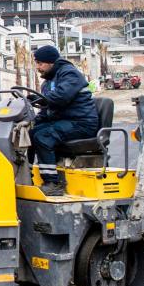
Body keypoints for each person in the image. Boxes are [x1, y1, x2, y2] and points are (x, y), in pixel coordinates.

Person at [30, 45, 99, 197]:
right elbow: (48, 109)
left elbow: (61, 97)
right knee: (31, 131)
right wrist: (35, 120)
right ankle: (26, 174)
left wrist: (41, 100)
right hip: (66, 120)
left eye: (40, 63)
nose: (38, 67)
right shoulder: (48, 82)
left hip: (82, 122)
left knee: (44, 137)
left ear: (51, 62)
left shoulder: (70, 74)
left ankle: (53, 184)